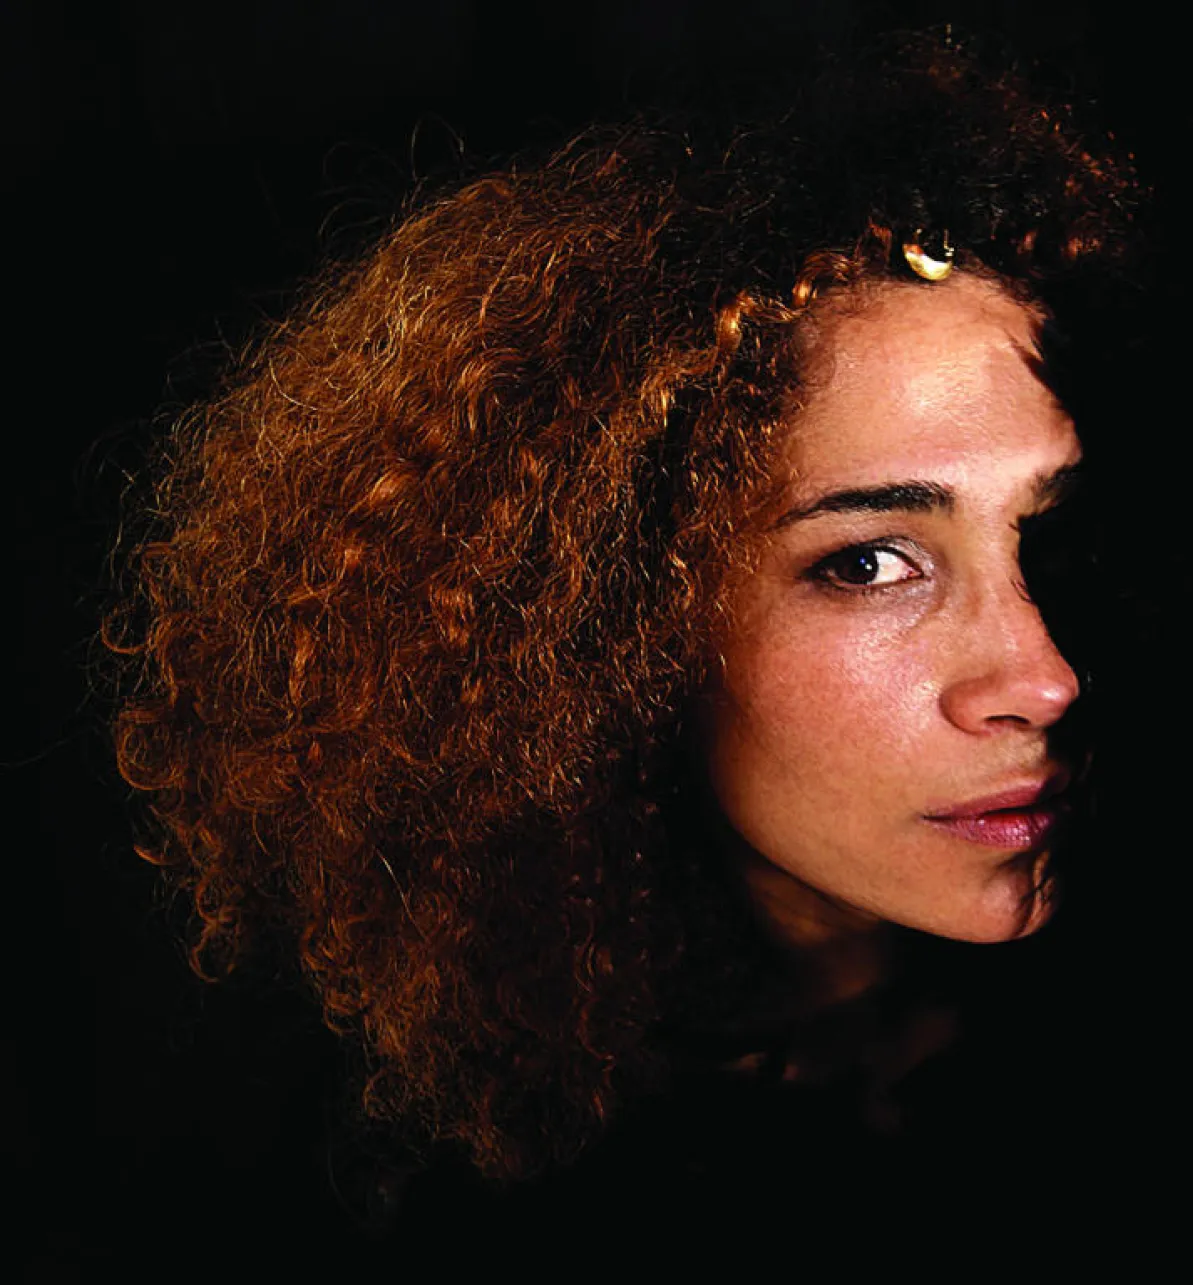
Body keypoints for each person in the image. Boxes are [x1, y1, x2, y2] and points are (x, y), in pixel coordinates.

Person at [109, 34, 1140, 1250]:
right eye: (866, 563)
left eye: (1055, 532)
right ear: (612, 624)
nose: (1042, 679)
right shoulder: (404, 1197)